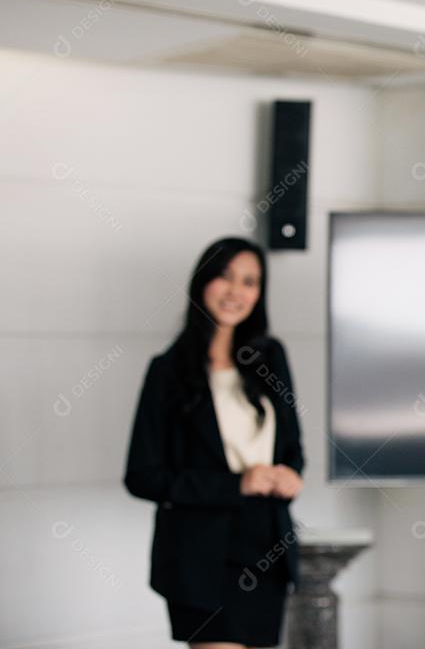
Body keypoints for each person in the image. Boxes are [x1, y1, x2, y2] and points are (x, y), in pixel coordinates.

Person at [124, 237, 305, 649]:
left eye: (249, 281)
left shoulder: (271, 357)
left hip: (268, 549)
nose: (236, 291)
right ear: (203, 282)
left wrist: (293, 475)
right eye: (225, 277)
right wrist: (236, 484)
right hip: (201, 560)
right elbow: (142, 476)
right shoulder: (168, 372)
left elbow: (293, 445)